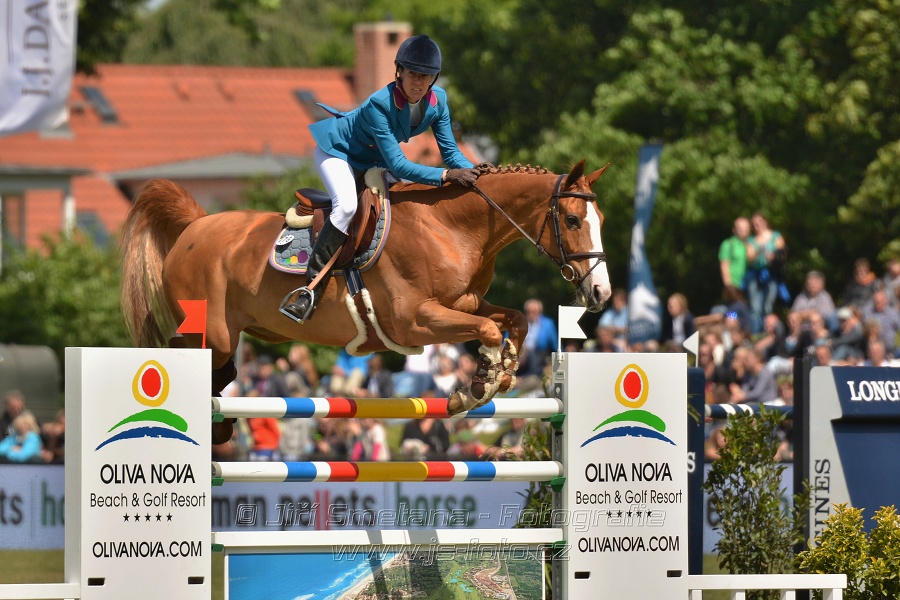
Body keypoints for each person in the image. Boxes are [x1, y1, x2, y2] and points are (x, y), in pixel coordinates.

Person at [282, 34, 482, 321]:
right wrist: (448, 175)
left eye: (425, 76)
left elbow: (452, 153)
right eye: (413, 74)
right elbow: (400, 166)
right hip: (339, 154)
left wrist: (475, 172)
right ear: (399, 72)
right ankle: (310, 289)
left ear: (434, 78)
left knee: (405, 208)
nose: (418, 83)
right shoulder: (380, 104)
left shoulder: (439, 102)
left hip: (374, 162)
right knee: (347, 207)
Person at [745, 212, 787, 333]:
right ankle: (756, 332)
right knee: (755, 307)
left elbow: (782, 254)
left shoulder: (775, 235)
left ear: (765, 222)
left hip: (771, 274)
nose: (757, 226)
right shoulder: (751, 240)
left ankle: (769, 331)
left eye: (759, 222)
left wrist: (773, 256)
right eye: (754, 224)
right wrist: (759, 249)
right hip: (755, 275)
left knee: (768, 306)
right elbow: (750, 258)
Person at [518, 299, 559, 378]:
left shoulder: (548, 324)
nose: (531, 314)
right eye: (528, 311)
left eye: (534, 311)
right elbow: (508, 339)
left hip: (539, 355)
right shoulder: (520, 323)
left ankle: (530, 377)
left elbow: (555, 344)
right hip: (521, 354)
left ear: (539, 312)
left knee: (533, 355)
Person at [863, 289, 900, 357]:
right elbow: (867, 330)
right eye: (876, 301)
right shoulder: (868, 312)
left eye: (880, 301)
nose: (878, 303)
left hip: (891, 349)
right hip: (874, 347)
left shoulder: (893, 313)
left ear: (885, 301)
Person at [719, 217, 751, 289]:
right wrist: (729, 287)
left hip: (750, 286)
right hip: (735, 287)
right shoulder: (728, 244)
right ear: (734, 230)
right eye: (740, 228)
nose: (743, 231)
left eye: (746, 228)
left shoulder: (753, 244)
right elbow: (724, 267)